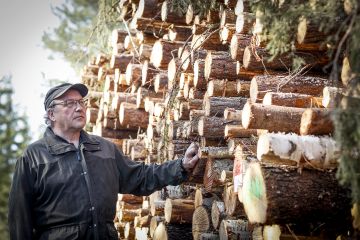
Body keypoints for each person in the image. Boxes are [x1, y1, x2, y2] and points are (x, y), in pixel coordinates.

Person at [8, 83, 200, 240]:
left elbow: (141, 177)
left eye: (81, 102)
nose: (78, 107)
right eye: (68, 103)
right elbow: (19, 222)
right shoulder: (33, 157)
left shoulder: (104, 149)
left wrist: (180, 165)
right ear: (51, 114)